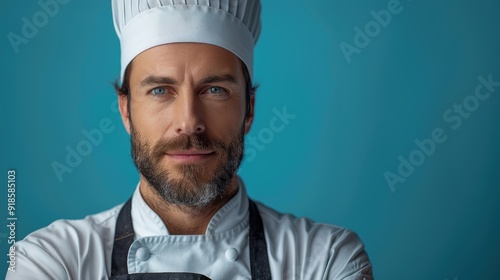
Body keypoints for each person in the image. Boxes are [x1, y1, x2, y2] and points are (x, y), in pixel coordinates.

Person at [6, 0, 373, 279]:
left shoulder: (325, 260)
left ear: (249, 109)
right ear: (125, 111)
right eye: (161, 90)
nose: (189, 122)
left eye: (214, 89)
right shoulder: (51, 261)